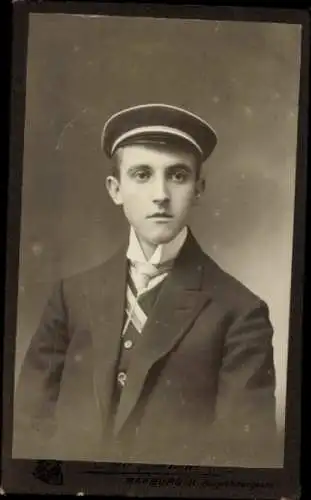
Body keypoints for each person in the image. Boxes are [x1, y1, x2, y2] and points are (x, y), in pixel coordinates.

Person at [13, 103, 281, 467]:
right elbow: (27, 427)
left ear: (199, 189)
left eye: (178, 175)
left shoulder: (239, 312)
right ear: (115, 188)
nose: (161, 194)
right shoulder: (70, 296)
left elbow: (242, 457)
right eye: (142, 174)